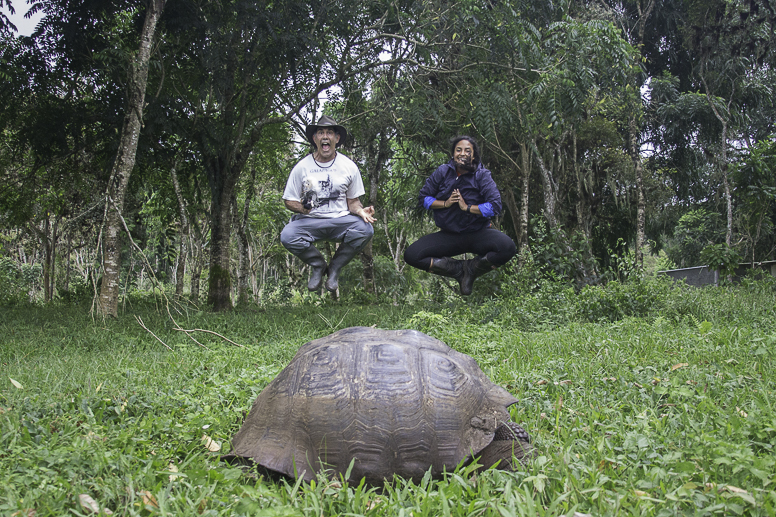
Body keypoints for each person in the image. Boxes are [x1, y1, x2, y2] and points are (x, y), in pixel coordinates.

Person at [403, 135, 516, 295]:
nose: (462, 153)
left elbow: (495, 206)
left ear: (474, 155)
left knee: (507, 248)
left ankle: (471, 268)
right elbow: (424, 198)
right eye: (458, 150)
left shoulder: (482, 175)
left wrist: (467, 207)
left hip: (478, 234)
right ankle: (457, 270)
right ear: (453, 153)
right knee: (412, 255)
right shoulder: (442, 172)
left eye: (467, 151)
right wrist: (445, 203)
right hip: (450, 236)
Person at [280, 115, 375, 292]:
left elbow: (353, 202)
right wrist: (303, 208)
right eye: (321, 132)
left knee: (366, 230)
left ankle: (335, 268)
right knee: (287, 235)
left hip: (340, 220)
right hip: (310, 220)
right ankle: (318, 265)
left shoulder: (349, 166)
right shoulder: (302, 167)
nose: (325, 136)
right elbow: (288, 200)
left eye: (329, 133)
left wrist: (361, 211)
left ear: (336, 139)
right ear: (315, 139)